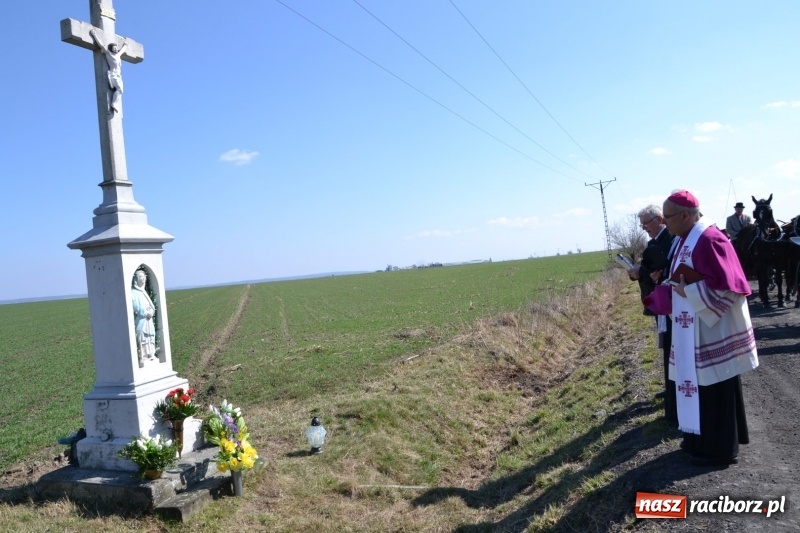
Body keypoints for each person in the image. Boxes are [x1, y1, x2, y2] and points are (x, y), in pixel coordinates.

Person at [656, 190, 758, 466]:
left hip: (713, 326)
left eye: (667, 217)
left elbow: (728, 288)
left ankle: (720, 449)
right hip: (694, 324)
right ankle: (698, 438)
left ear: (685, 215)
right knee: (701, 386)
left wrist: (688, 291)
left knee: (716, 385)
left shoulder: (710, 239)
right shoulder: (685, 240)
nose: (665, 223)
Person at [627, 205, 677, 422]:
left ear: (659, 219)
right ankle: (669, 386)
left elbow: (662, 268)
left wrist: (642, 271)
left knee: (671, 346)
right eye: (642, 224)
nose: (644, 228)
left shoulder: (669, 239)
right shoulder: (654, 241)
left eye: (646, 223)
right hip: (659, 301)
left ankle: (673, 390)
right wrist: (636, 273)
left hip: (670, 302)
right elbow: (651, 269)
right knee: (665, 344)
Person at [89, 28, 127, 115]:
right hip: (113, 74)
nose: (116, 49)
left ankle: (114, 103)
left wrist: (125, 44)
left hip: (119, 75)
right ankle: (114, 103)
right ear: (111, 49)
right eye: (114, 48)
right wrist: (94, 35)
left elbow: (123, 50)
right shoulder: (108, 54)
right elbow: (101, 45)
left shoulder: (118, 55)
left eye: (116, 48)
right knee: (120, 89)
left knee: (121, 90)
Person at [132, 269, 157, 361]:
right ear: (136, 279)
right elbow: (135, 306)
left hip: (149, 319)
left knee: (150, 336)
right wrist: (145, 313)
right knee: (143, 337)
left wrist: (151, 312)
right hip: (142, 319)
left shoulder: (143, 291)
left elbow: (151, 305)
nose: (143, 279)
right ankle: (144, 355)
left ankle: (151, 354)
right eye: (141, 277)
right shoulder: (133, 292)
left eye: (144, 277)